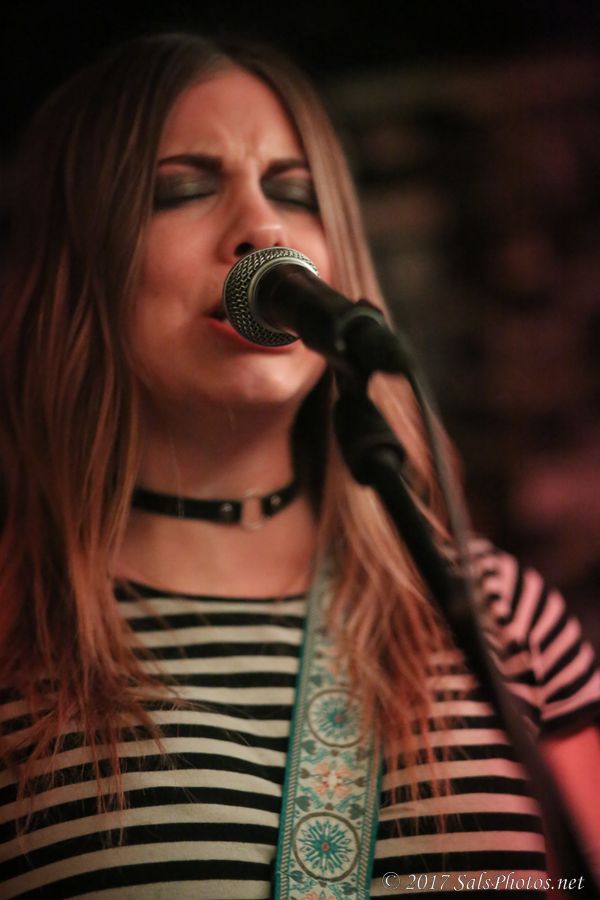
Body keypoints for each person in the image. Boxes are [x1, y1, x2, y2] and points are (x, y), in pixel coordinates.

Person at [0, 31, 598, 900]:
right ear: (73, 267)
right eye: (182, 190)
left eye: (296, 192)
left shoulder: (510, 617)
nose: (264, 228)